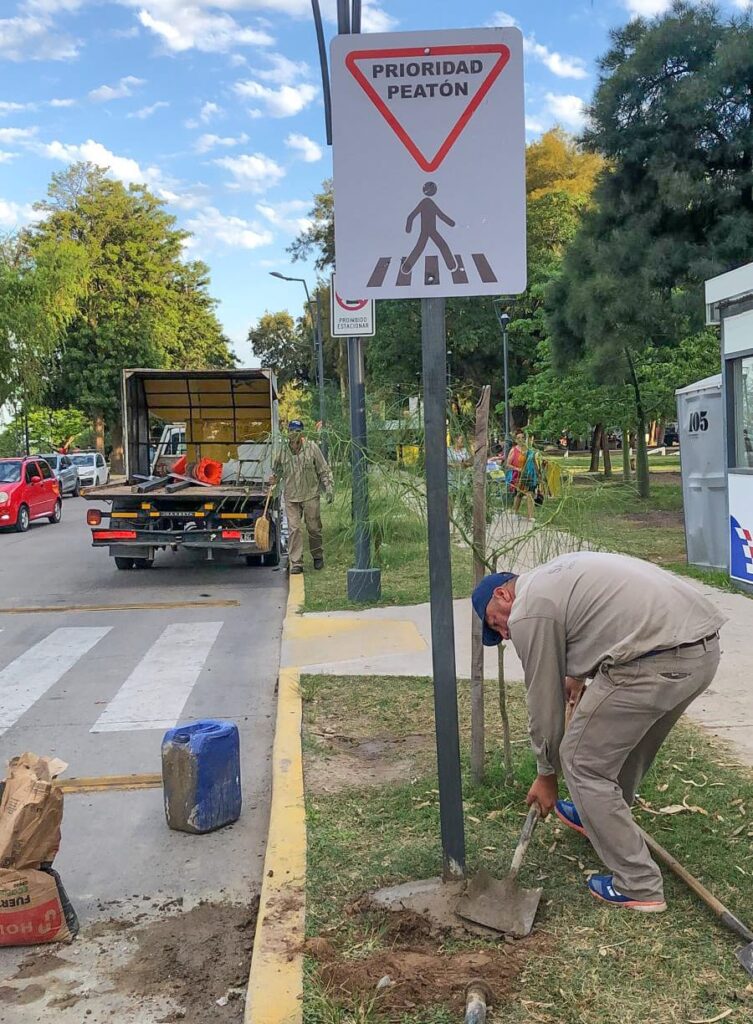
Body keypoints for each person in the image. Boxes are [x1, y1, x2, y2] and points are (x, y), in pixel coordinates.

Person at [472, 552, 725, 912]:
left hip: (655, 658)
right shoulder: (551, 577)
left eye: (496, 624)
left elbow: (543, 703)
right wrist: (575, 673)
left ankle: (639, 883)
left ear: (503, 594)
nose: (504, 634)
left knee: (579, 760)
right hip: (699, 651)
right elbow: (599, 620)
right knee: (625, 744)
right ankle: (599, 818)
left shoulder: (529, 610)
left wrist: (546, 774)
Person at [270, 420, 333, 575]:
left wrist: (329, 488)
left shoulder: (312, 448)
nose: (294, 433)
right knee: (294, 529)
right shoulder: (283, 451)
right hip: (291, 497)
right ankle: (296, 562)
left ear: (302, 433)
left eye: (297, 431)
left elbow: (324, 470)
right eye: (291, 430)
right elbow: (277, 471)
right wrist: (274, 480)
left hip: (311, 495)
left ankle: (317, 556)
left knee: (314, 528)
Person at [506, 430, 540, 519]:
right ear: (516, 440)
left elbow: (533, 462)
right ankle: (515, 512)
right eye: (518, 438)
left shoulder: (529, 450)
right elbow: (508, 464)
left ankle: (531, 516)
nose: (521, 439)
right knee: (519, 494)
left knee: (530, 494)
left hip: (528, 475)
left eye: (522, 437)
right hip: (517, 476)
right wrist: (518, 469)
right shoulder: (514, 450)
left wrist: (538, 474)